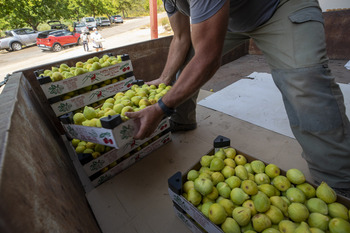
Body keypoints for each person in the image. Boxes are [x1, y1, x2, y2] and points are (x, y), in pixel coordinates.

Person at [125, 0, 350, 197]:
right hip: (232, 18)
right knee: (185, 66)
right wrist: (164, 79)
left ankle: (339, 181)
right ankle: (182, 120)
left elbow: (208, 59)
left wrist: (161, 107)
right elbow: (181, 38)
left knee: (305, 82)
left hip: (278, 7)